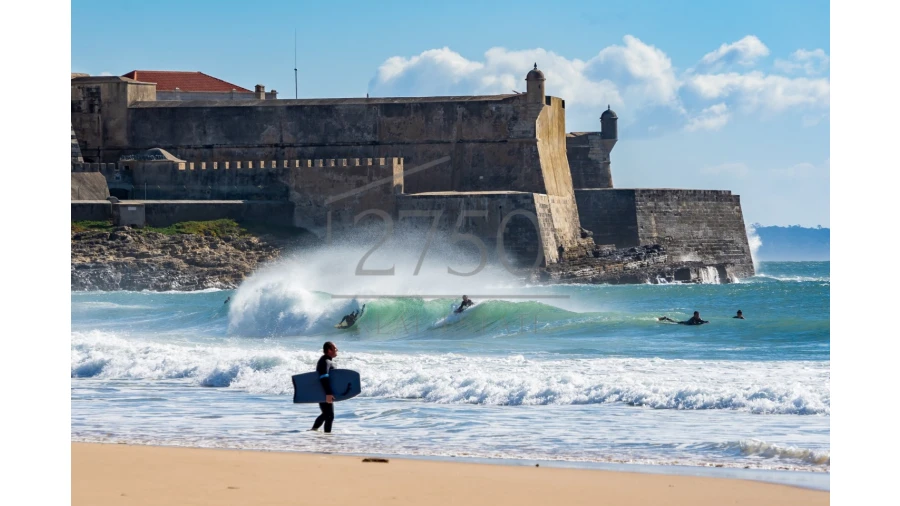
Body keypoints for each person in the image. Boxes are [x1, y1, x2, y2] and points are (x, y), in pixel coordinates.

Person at [310, 341, 339, 433]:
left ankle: (316, 431)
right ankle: (322, 434)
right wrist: (328, 393)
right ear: (329, 350)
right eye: (335, 349)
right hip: (324, 391)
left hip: (324, 391)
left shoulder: (326, 360)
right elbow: (323, 377)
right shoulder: (325, 361)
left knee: (328, 415)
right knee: (328, 415)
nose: (337, 350)